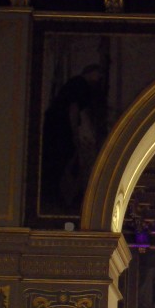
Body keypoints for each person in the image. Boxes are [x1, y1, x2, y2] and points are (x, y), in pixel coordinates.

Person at [41, 63, 108, 211]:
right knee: (62, 160)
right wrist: (74, 135)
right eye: (99, 74)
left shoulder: (75, 84)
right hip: (60, 129)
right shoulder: (81, 85)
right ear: (92, 72)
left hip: (56, 127)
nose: (100, 78)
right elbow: (74, 109)